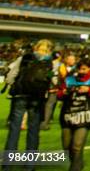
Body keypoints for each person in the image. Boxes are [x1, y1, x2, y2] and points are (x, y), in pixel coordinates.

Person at [3, 39, 53, 170]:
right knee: (33, 132)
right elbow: (51, 80)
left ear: (36, 47)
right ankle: (29, 165)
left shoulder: (25, 58)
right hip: (37, 99)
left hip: (20, 96)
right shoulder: (49, 62)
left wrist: (14, 86)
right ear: (49, 50)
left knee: (14, 130)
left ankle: (8, 164)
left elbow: (11, 75)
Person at [58, 57, 90, 171]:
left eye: (84, 69)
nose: (81, 71)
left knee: (77, 146)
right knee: (67, 148)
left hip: (85, 116)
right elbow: (59, 94)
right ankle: (78, 163)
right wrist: (63, 92)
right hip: (68, 116)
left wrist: (89, 90)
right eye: (79, 69)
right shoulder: (69, 79)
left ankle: (75, 168)